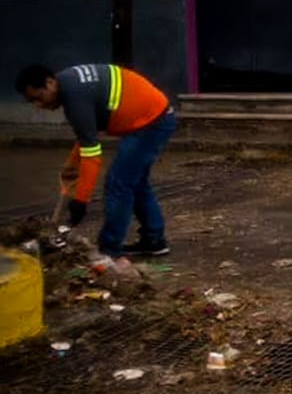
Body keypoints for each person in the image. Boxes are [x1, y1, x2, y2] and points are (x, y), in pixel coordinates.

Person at [15, 63, 177, 259]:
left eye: (38, 98)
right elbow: (86, 135)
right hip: (154, 116)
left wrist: (81, 201)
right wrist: (72, 165)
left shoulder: (74, 97)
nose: (39, 105)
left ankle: (109, 250)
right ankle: (154, 241)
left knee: (118, 184)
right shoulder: (69, 84)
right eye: (32, 102)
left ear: (50, 83)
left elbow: (92, 155)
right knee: (135, 182)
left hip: (151, 122)